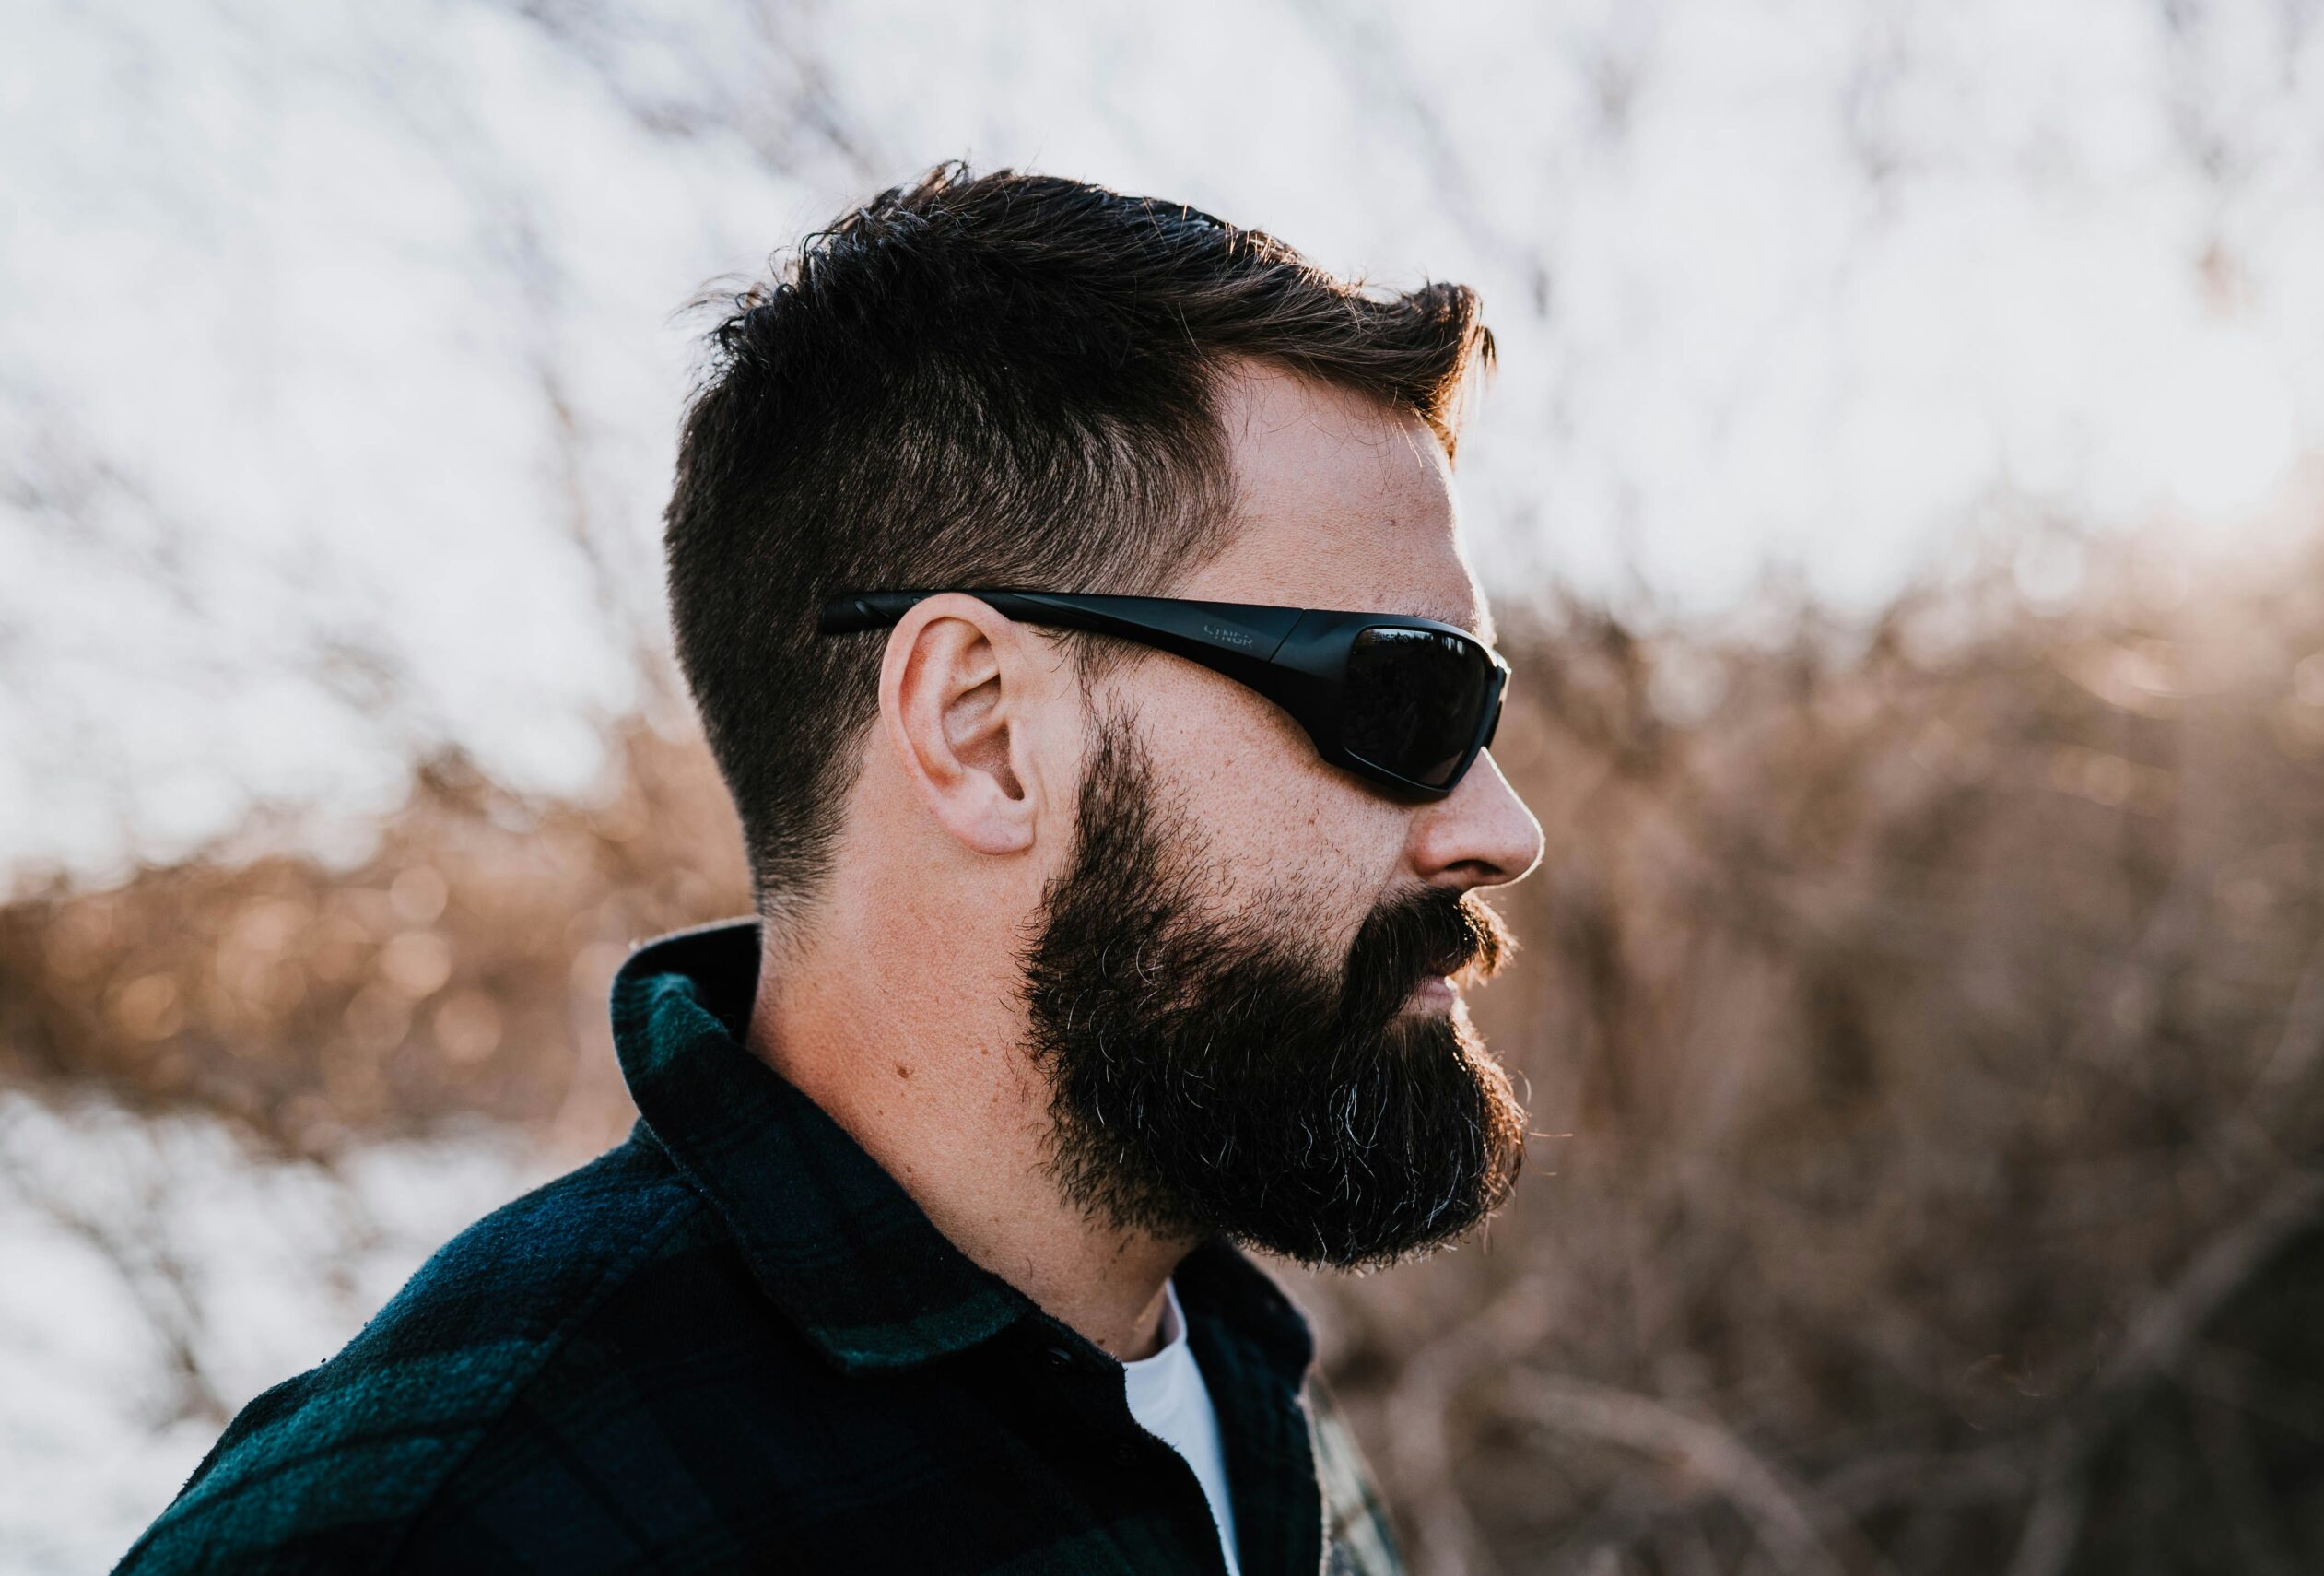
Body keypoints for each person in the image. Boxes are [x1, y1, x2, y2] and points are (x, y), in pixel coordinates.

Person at [118, 163, 1545, 1576]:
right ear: (981, 733)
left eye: (1479, 710)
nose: (1502, 825)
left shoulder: (1239, 1375)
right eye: (1402, 701)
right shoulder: (451, 1521)